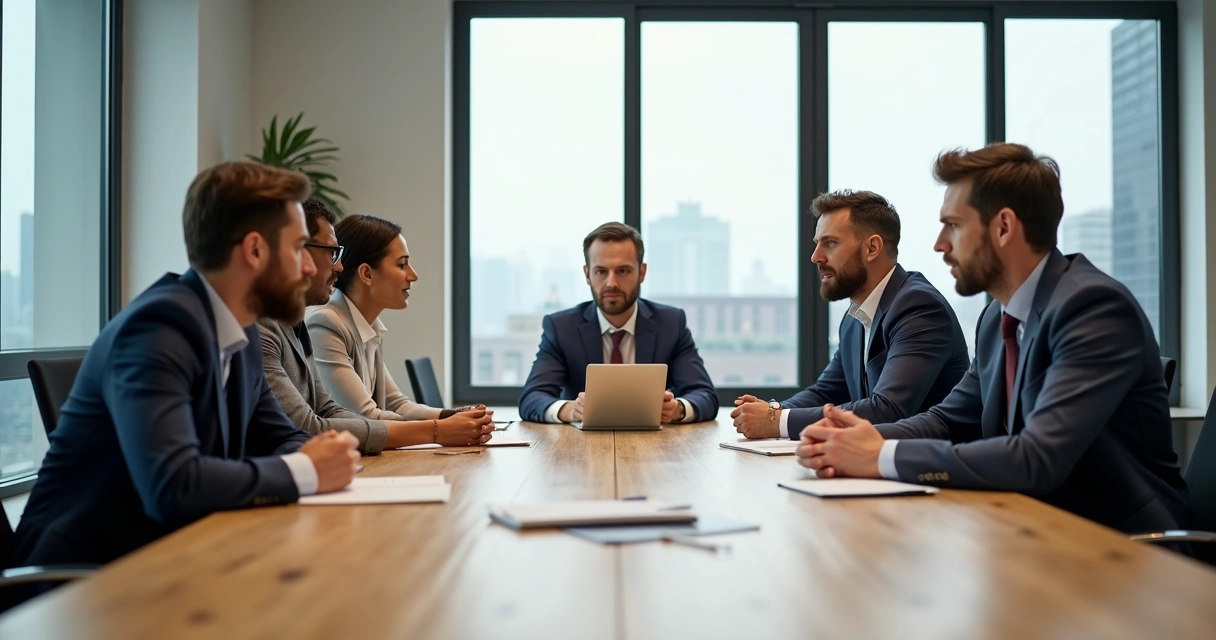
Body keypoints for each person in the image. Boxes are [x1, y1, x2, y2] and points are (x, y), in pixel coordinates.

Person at [796, 143, 1190, 533]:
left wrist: (880, 454)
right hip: (1029, 527)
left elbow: (1035, 457)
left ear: (1003, 227)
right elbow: (947, 421)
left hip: (1125, 545)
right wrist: (850, 439)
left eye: (953, 225)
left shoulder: (1093, 308)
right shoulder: (995, 319)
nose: (940, 245)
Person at [14, 162, 361, 568]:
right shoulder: (157, 329)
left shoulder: (241, 332)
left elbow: (281, 436)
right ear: (254, 250)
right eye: (298, 248)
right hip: (81, 582)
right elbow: (173, 485)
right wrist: (305, 469)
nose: (309, 267)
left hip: (174, 554)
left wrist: (321, 456)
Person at [731, 190, 969, 440]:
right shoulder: (855, 317)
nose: (816, 257)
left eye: (830, 243)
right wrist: (771, 410)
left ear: (872, 248)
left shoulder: (918, 306)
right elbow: (826, 392)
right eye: (817, 244)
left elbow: (888, 409)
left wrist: (775, 421)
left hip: (933, 471)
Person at [258, 200, 485, 452]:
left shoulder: (300, 323)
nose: (339, 267)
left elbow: (332, 409)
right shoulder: (311, 322)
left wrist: (451, 419)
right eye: (401, 264)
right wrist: (436, 430)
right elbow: (311, 425)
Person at [307, 214, 494, 446]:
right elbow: (365, 417)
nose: (413, 275)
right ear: (367, 274)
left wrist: (455, 416)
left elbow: (397, 404)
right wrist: (441, 429)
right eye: (402, 264)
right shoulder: (326, 323)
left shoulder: (369, 325)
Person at [518, 222, 718, 424]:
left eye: (623, 271)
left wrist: (677, 409)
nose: (611, 283)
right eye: (601, 271)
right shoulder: (561, 328)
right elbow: (532, 398)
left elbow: (704, 395)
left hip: (656, 449)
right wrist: (570, 410)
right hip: (580, 449)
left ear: (642, 272)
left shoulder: (671, 324)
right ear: (587, 274)